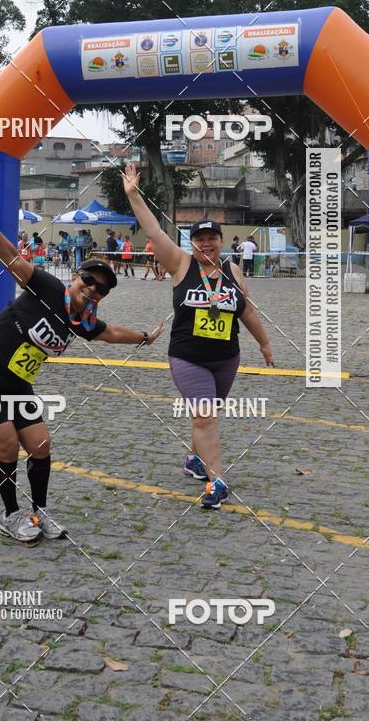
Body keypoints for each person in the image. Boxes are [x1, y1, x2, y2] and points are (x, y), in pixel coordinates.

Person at [0, 185, 164, 543]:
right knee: (7, 446)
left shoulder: (81, 322)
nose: (92, 289)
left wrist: (143, 336)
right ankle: (11, 516)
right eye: (89, 280)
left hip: (16, 382)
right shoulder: (49, 287)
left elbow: (110, 332)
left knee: (39, 446)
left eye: (101, 288)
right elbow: (10, 258)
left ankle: (40, 513)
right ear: (76, 277)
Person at [123, 165, 274, 510]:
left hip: (226, 358)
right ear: (191, 243)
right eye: (200, 239)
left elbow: (246, 311)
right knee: (205, 416)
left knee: (204, 414)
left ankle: (193, 458)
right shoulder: (179, 264)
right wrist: (134, 196)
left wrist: (264, 343)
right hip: (187, 357)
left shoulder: (233, 270)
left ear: (221, 241)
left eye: (212, 238)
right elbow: (154, 230)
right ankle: (217, 481)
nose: (207, 243)